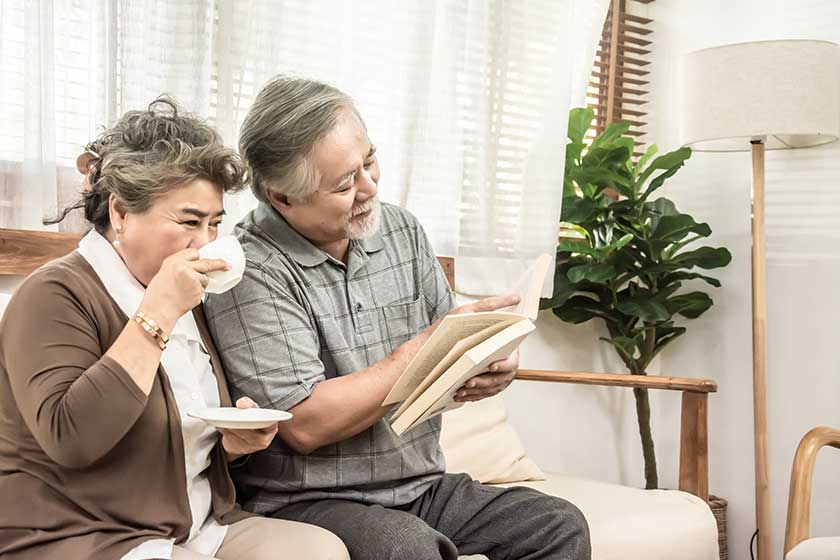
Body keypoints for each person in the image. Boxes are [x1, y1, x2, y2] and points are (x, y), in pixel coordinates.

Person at [205, 76, 591, 560]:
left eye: (368, 162)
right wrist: (422, 351)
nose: (369, 187)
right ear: (280, 196)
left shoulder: (401, 230)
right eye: (345, 183)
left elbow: (448, 353)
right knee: (405, 547)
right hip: (307, 500)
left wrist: (486, 369)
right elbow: (305, 424)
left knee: (554, 524)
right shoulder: (251, 267)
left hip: (419, 485)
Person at [0, 98, 349, 560]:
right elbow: (72, 439)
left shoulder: (187, 294)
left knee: (322, 552)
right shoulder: (53, 294)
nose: (205, 242)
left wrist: (233, 443)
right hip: (80, 533)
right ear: (121, 212)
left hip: (195, 524)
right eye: (189, 221)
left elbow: (178, 436)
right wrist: (157, 312)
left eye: (215, 224)